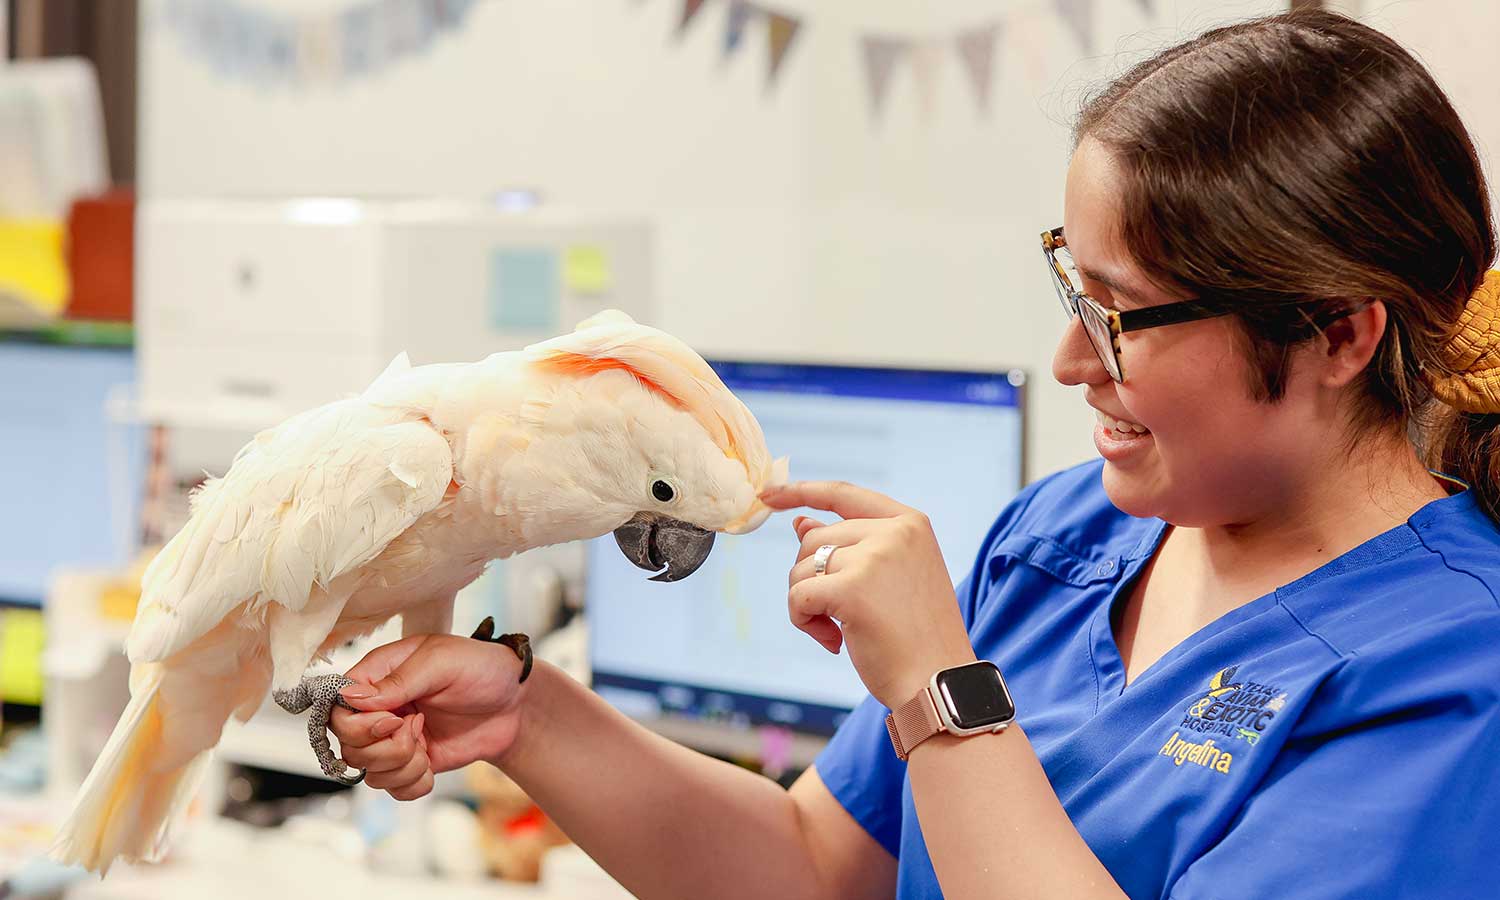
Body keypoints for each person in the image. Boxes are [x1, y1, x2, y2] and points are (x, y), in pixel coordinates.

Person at [328, 9, 1500, 898]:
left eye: (1119, 314)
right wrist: (530, 719)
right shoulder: (1061, 543)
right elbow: (811, 867)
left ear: (1341, 333)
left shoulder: (1451, 680)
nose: (1069, 362)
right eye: (1069, 287)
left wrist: (942, 691)